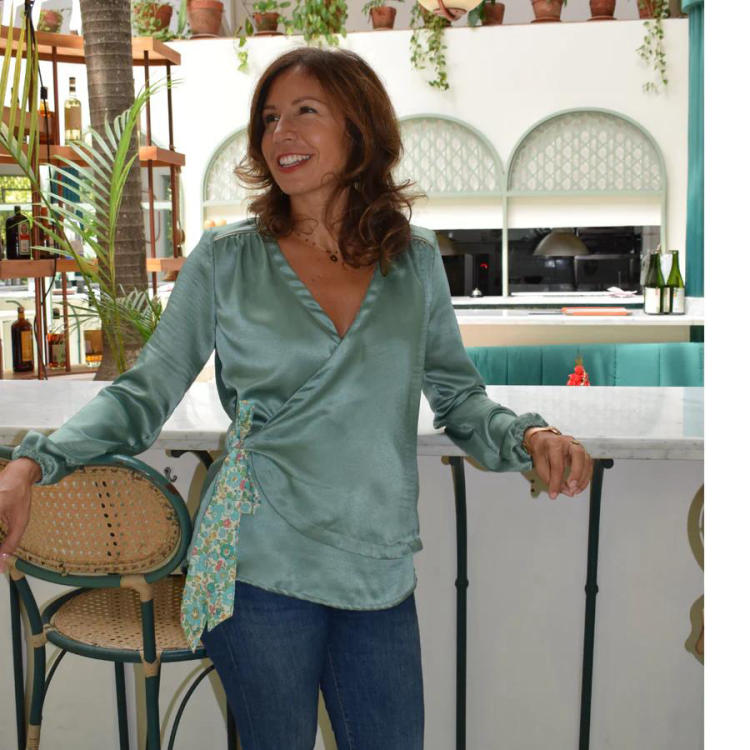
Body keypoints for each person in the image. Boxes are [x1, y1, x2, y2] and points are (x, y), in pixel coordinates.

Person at [0, 48, 593, 749]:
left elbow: (459, 399)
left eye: (305, 111)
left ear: (359, 128)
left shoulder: (414, 260)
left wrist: (528, 437)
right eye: (269, 118)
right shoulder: (227, 260)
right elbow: (145, 391)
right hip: (259, 564)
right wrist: (32, 463)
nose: (280, 133)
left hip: (376, 567)